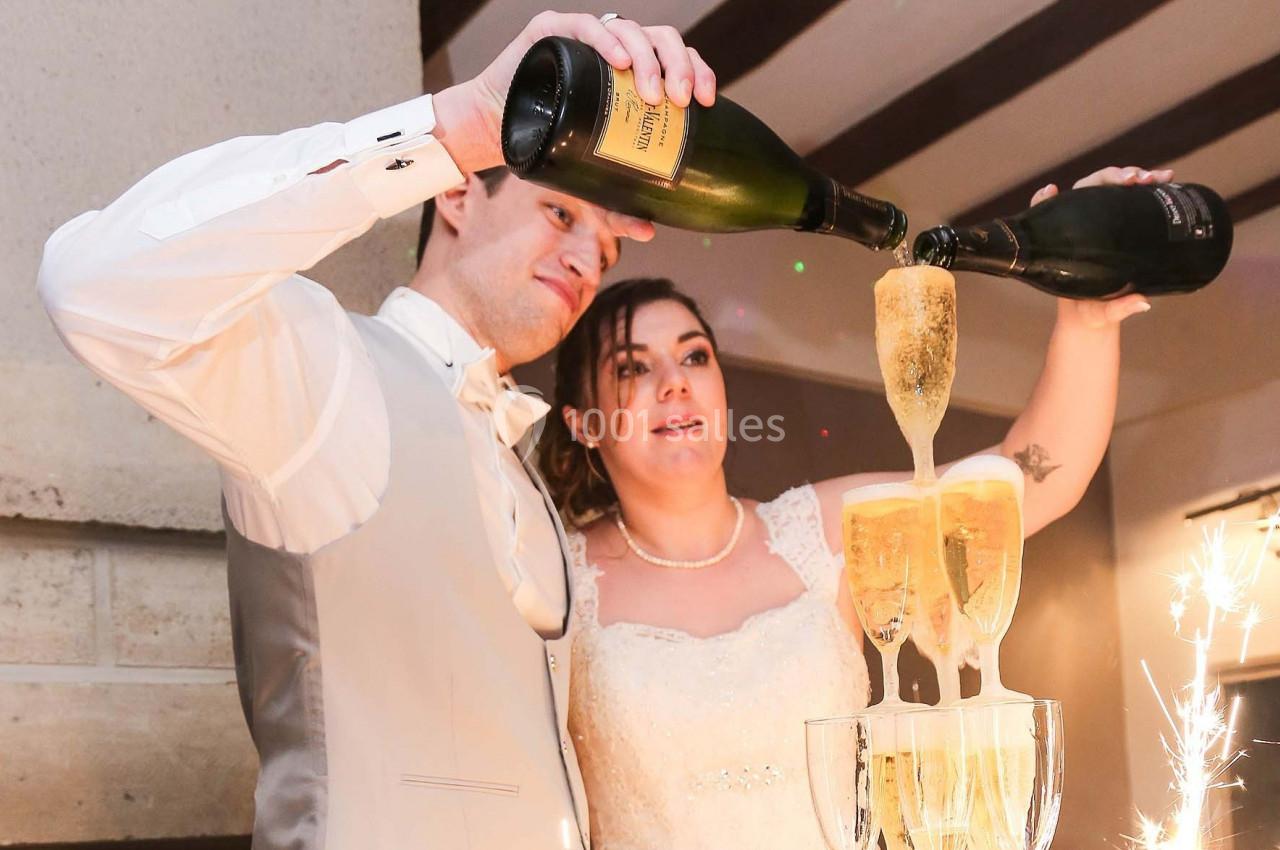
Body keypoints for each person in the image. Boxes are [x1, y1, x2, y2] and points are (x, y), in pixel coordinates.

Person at [37, 12, 717, 850]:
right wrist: (454, 127)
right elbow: (92, 285)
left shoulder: (529, 475)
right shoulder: (328, 376)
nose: (589, 260)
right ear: (459, 192)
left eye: (607, 252)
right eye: (560, 214)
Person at [537, 166, 1164, 850]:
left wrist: (1086, 320)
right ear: (584, 423)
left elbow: (1033, 476)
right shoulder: (554, 574)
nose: (674, 385)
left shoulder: (829, 533)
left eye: (694, 358)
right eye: (633, 367)